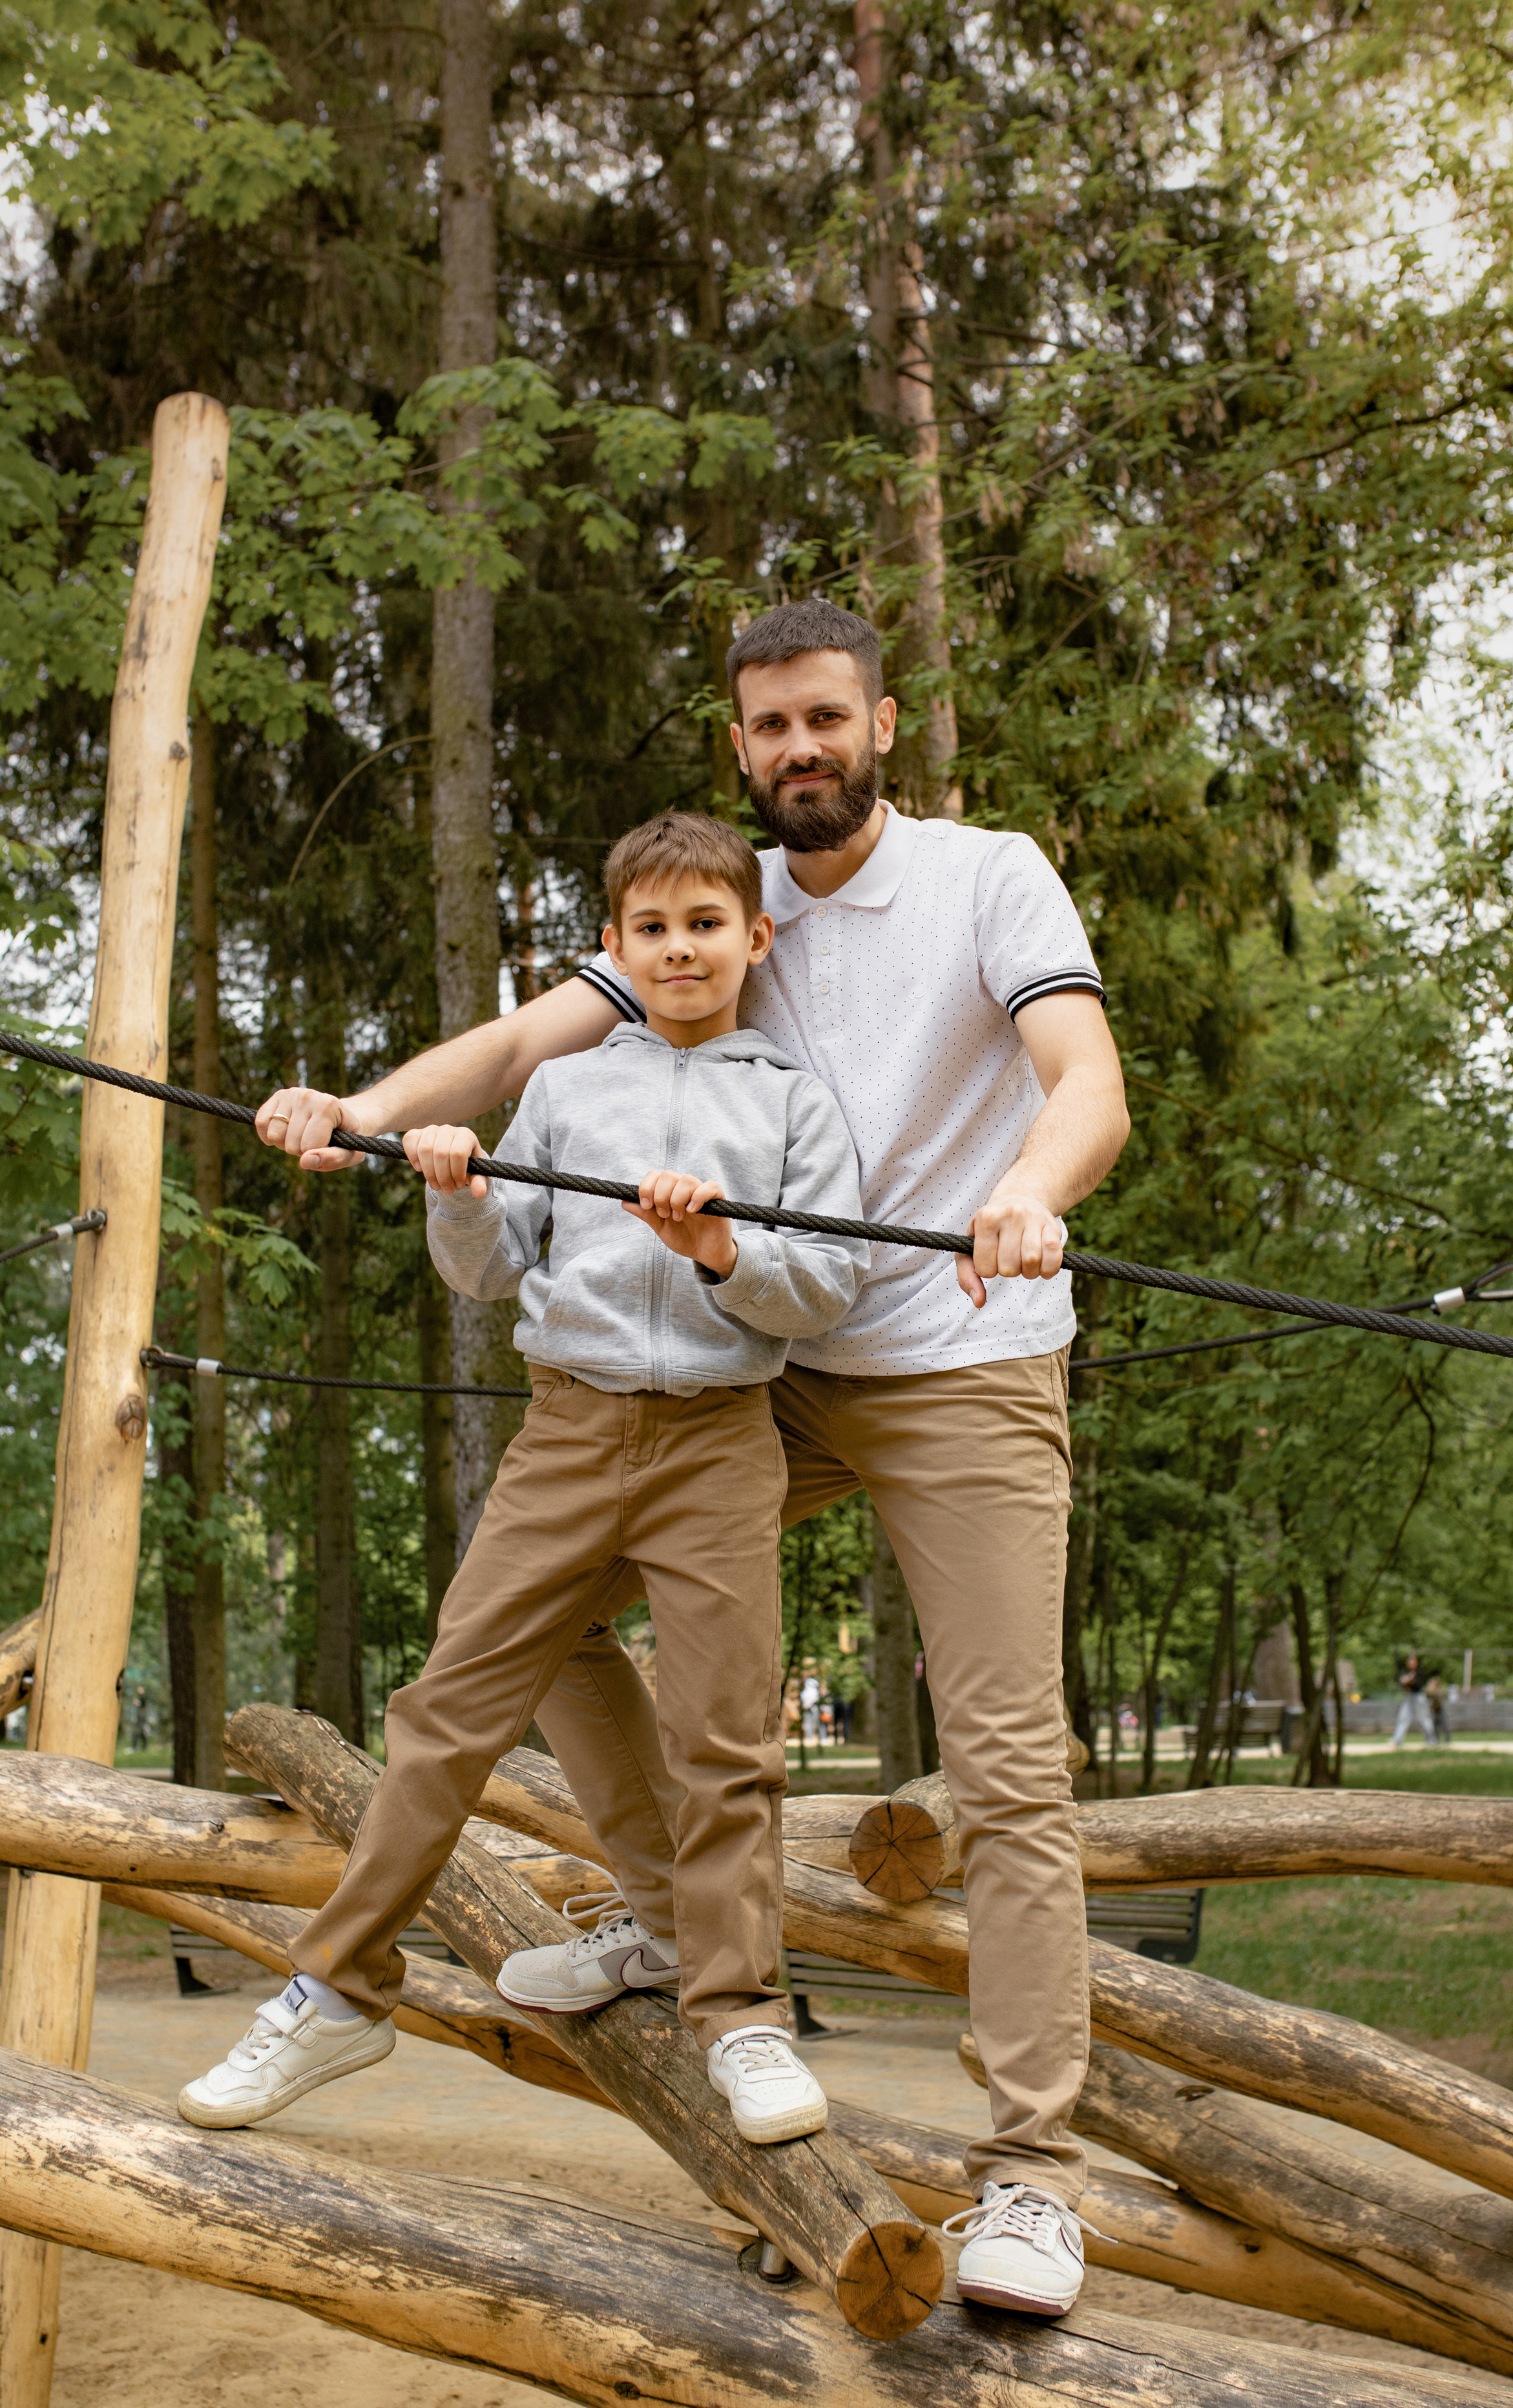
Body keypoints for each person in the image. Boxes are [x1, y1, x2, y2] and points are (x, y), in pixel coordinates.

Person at [251, 596, 1131, 2318]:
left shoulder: (985, 876)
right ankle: (667, 1916)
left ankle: (1034, 2176)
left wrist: (1034, 1190)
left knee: (1011, 1771)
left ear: (882, 725)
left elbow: (1082, 1076)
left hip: (959, 1359)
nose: (800, 749)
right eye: (771, 728)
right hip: (757, 1368)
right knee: (544, 1603)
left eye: (828, 720)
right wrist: (359, 1110)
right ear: (740, 747)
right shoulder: (714, 910)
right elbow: (517, 1049)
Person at [178, 810, 870, 2149]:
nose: (682, 950)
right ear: (612, 949)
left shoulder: (789, 1098)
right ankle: (337, 1991)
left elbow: (824, 1290)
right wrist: (460, 1190)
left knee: (725, 1741)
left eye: (706, 926)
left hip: (719, 1441)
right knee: (446, 1713)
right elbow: (489, 1276)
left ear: (753, 937)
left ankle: (736, 2013)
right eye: (653, 930)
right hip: (565, 1434)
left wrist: (719, 1244)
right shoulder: (567, 1090)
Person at [1392, 1650, 1434, 1748]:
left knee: (1424, 1718)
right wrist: (1406, 1682)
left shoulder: (1419, 1672)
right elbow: (1402, 1684)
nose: (1411, 1663)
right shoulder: (1406, 1672)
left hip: (1419, 1696)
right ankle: (1397, 1739)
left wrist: (1410, 1681)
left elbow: (1418, 1684)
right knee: (1403, 1717)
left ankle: (1431, 1739)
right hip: (1408, 1696)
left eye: (1413, 1661)